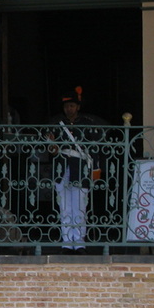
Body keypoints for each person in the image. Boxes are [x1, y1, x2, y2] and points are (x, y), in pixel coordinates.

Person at [46, 87, 107, 254]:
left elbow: (94, 149)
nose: (69, 109)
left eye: (72, 106)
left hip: (80, 168)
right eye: (67, 106)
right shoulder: (56, 123)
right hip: (62, 168)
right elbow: (51, 151)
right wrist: (52, 146)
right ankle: (67, 243)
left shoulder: (88, 123)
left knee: (79, 207)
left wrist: (96, 169)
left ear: (78, 107)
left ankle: (79, 243)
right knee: (64, 207)